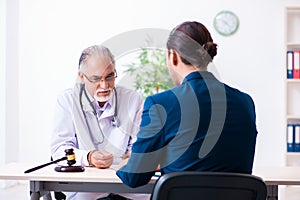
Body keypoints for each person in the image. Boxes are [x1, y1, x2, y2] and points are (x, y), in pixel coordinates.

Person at [116, 21, 258, 188]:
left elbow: (134, 177)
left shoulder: (161, 104)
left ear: (173, 56)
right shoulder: (245, 102)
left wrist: (122, 166)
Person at [50, 45, 148, 199]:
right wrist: (88, 157)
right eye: (96, 79)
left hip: (125, 186)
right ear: (81, 77)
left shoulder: (132, 100)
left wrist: (131, 156)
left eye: (109, 76)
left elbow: (139, 148)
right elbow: (59, 150)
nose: (104, 85)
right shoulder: (68, 101)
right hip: (85, 186)